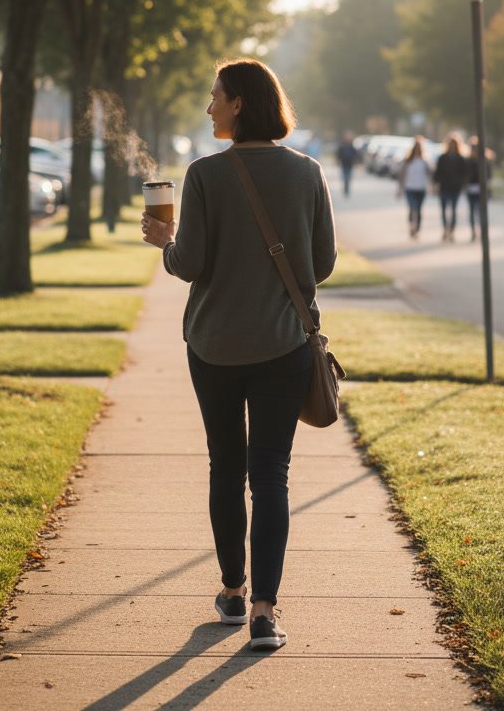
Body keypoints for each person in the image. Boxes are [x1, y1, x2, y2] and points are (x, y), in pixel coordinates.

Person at [141, 58, 337, 652]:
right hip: (284, 347)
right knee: (270, 473)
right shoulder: (308, 173)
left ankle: (230, 591)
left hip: (215, 346)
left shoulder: (203, 175)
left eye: (216, 97)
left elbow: (191, 265)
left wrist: (165, 244)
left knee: (225, 466)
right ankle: (265, 611)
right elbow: (322, 264)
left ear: (240, 104)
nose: (209, 107)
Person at [433, 133, 467, 241]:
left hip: (455, 187)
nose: (452, 146)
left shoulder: (461, 159)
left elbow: (464, 173)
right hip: (444, 187)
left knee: (453, 210)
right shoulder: (442, 158)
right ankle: (445, 229)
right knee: (443, 210)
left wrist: (462, 184)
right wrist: (435, 184)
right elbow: (437, 173)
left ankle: (451, 230)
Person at [396, 136, 429, 239]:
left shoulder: (424, 162)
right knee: (412, 208)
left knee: (418, 210)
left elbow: (430, 175)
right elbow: (402, 176)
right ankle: (411, 225)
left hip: (421, 188)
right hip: (410, 188)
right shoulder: (407, 162)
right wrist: (400, 189)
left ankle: (417, 229)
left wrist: (432, 186)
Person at [464, 137, 492, 242]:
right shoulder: (468, 161)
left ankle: (483, 231)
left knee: (481, 213)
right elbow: (465, 174)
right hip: (471, 190)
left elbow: (489, 176)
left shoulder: (484, 161)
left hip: (481, 191)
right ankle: (473, 232)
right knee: (472, 212)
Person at [337, 131, 358, 197]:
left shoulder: (352, 145)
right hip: (344, 163)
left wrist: (356, 161)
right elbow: (339, 153)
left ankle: (347, 190)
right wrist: (337, 160)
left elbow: (355, 154)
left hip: (350, 164)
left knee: (348, 177)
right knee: (345, 177)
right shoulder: (342, 145)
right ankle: (345, 189)